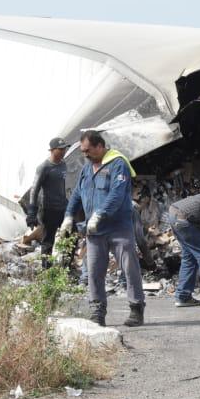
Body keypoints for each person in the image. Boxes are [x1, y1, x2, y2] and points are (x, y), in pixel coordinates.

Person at [61, 130, 145, 327]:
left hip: (118, 227)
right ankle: (97, 311)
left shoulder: (118, 164)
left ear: (100, 146)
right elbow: (77, 194)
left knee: (129, 268)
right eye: (83, 151)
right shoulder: (87, 169)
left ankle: (136, 309)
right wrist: (68, 215)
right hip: (94, 231)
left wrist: (100, 214)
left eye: (88, 150)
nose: (85, 155)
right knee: (94, 271)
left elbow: (117, 194)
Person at [24, 138, 70, 266]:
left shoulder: (63, 164)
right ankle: (47, 271)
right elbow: (34, 190)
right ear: (52, 150)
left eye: (64, 149)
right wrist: (32, 212)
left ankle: (65, 267)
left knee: (71, 235)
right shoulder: (44, 167)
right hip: (49, 209)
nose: (63, 152)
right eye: (60, 149)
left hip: (63, 207)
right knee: (48, 240)